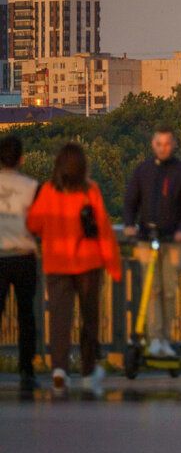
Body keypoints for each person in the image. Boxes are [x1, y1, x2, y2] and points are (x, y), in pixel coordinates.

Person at [26, 143, 122, 395]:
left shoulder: (48, 191)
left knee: (60, 318)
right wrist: (114, 266)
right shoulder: (90, 191)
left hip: (56, 263)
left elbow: (33, 224)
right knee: (89, 318)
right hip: (88, 264)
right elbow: (103, 230)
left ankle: (59, 369)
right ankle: (88, 371)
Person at [122, 126, 181, 358]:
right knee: (152, 289)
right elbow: (130, 200)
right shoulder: (143, 170)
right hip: (147, 238)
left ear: (174, 145)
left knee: (169, 291)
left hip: (173, 240)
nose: (163, 148)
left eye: (167, 143)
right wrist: (128, 224)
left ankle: (166, 338)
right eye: (159, 144)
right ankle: (154, 339)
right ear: (153, 145)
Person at [0, 137, 41, 393]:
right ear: (21, 159)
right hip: (24, 254)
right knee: (27, 315)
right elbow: (39, 221)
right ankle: (27, 368)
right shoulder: (32, 186)